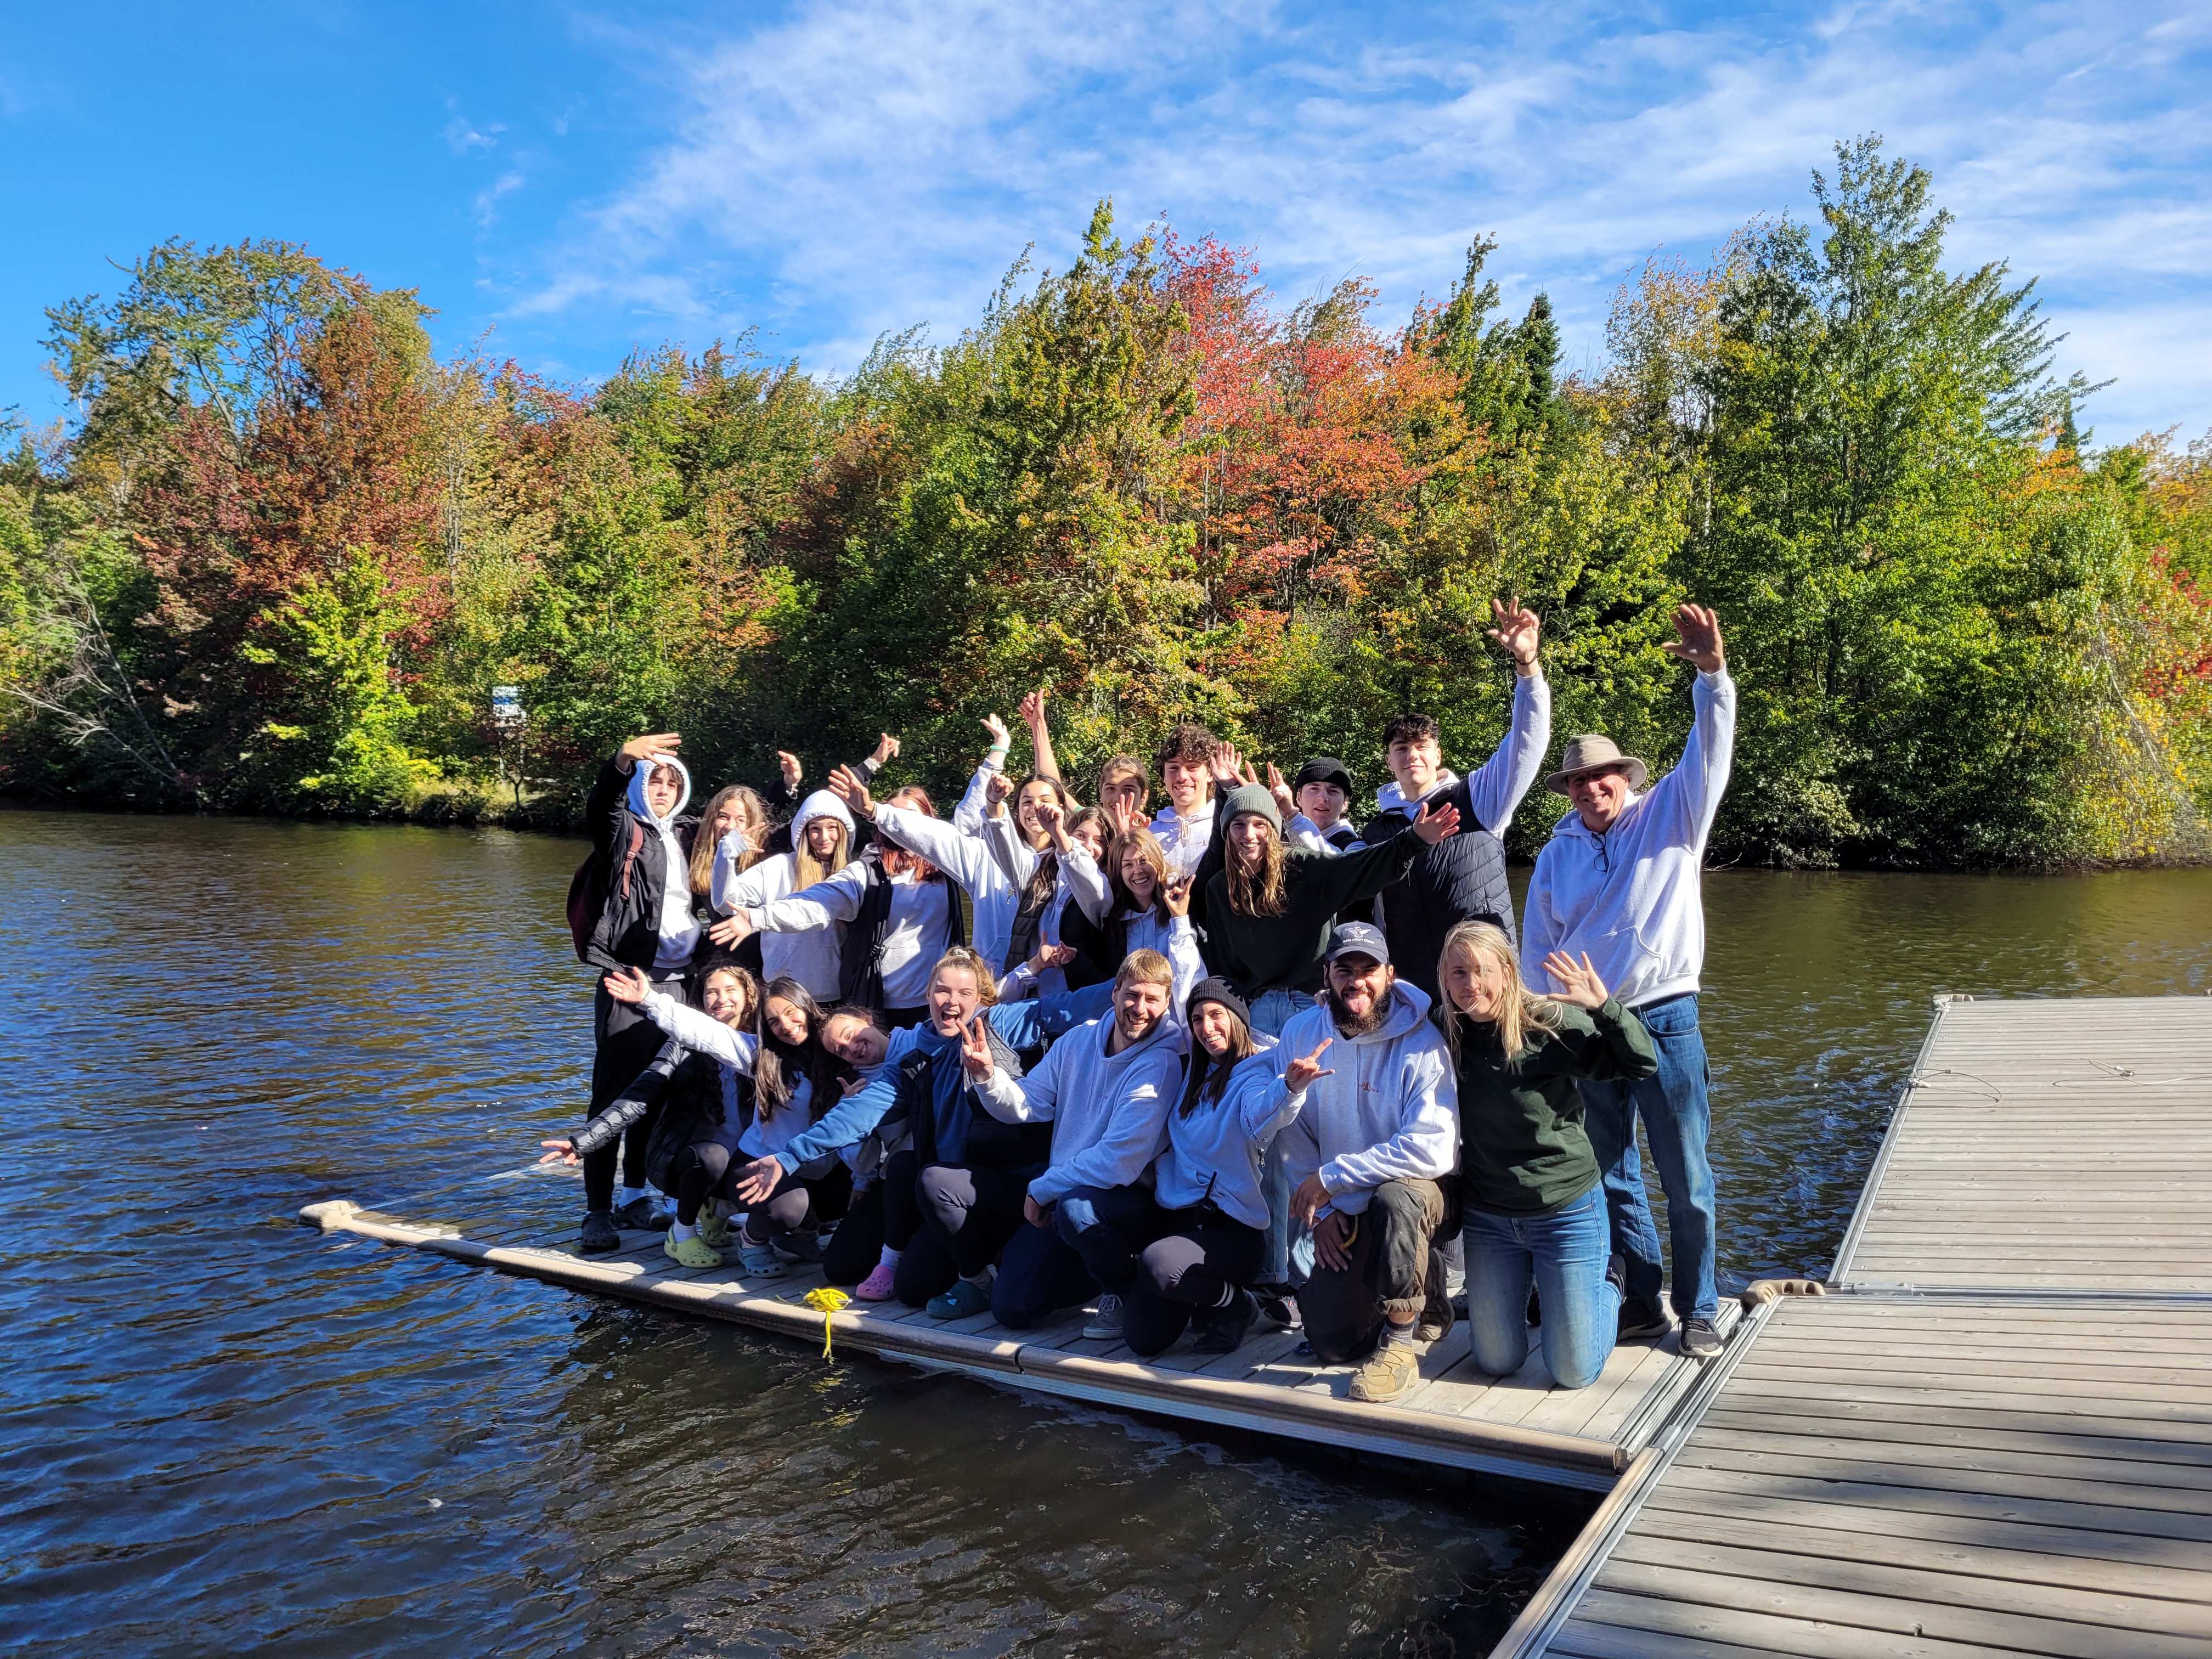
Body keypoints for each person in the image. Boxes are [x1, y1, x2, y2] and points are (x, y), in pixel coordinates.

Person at [1521, 602, 1736, 1360]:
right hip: (1585, 1029)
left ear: (1625, 778)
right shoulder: (1556, 855)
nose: (1588, 790)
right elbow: (1536, 950)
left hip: (1664, 1017)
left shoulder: (1673, 814)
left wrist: (1712, 675)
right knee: (1611, 1176)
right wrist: (1537, 1025)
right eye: (1576, 782)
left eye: (1600, 778)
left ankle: (1700, 1304)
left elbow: (1711, 748)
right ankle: (1644, 1303)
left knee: (1688, 1178)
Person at [1197, 770, 1460, 1297]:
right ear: (1225, 832)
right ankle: (1272, 1271)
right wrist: (1222, 1018)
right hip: (1253, 1011)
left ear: (1274, 830)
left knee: (1290, 1132)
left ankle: (1298, 1271)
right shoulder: (1218, 889)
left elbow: (1360, 870)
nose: (1249, 835)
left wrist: (1414, 841)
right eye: (1238, 825)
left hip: (1307, 1008)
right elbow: (1223, 964)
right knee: (1255, 1135)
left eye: (1258, 824)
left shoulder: (1305, 871)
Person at [1437, 922, 1658, 1389]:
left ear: (1507, 971)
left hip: (1565, 1212)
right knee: (1497, 1361)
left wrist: (1604, 1008)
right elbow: (1387, 1015)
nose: (1470, 985)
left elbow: (1640, 1063)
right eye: (1458, 972)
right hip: (1490, 1218)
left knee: (1572, 1371)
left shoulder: (1545, 1023)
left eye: (1482, 970)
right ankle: (1538, 1293)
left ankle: (1612, 1281)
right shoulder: (1445, 1029)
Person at [1276, 924, 1459, 1404]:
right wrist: (1323, 1212)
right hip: (1344, 1205)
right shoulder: (1299, 1033)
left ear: (1390, 975)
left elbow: (1433, 1149)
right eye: (1345, 970)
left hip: (1418, 1197)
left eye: (1368, 970)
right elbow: (1293, 1133)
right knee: (1332, 1343)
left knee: (1396, 1197)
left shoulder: (1423, 1040)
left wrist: (1332, 1178)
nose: (1356, 981)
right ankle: (1428, 1284)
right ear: (1327, 975)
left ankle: (1400, 1343)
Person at [962, 949, 1187, 1333]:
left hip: (1128, 1201)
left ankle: (1119, 1286)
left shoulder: (1162, 1062)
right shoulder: (1076, 1041)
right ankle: (1088, 1275)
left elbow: (1120, 1162)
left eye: (1153, 999)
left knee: (1076, 1210)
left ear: (1167, 1003)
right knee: (1012, 1308)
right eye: (1132, 995)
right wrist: (987, 1077)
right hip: (1067, 1192)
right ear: (1114, 993)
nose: (1140, 1007)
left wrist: (1043, 1189)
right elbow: (1027, 1104)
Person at [1358, 597, 1550, 1003]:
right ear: (1389, 761)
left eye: (1422, 746)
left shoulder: (1478, 799)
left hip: (1487, 994)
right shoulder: (1376, 832)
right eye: (1401, 748)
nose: (1412, 754)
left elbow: (1526, 747)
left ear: (1438, 755)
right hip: (1415, 1000)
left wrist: (1528, 668)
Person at [575, 731, 713, 1252]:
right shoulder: (623, 832)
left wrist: (788, 792)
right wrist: (621, 762)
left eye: (670, 782)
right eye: (653, 780)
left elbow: (739, 820)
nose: (661, 788)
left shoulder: (688, 835)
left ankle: (636, 1197)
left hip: (681, 985)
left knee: (657, 1093)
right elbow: (602, 804)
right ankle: (596, 1211)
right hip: (628, 981)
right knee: (612, 1096)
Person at [541, 962, 760, 1266]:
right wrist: (582, 1142)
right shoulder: (681, 1046)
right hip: (690, 1155)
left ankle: (717, 1212)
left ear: (749, 996)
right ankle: (682, 1234)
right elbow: (637, 1097)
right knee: (712, 1157)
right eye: (712, 992)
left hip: (744, 1150)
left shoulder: (764, 1043)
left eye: (730, 990)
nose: (721, 999)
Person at [1123, 979, 1289, 1358]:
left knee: (1159, 1266)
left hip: (1231, 1231)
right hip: (1183, 1223)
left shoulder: (1255, 1073)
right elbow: (1181, 979)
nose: (1206, 1027)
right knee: (1143, 1339)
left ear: (1237, 1019)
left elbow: (1261, 1116)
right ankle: (1209, 1299)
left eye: (1216, 1015)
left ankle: (1236, 1303)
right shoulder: (1191, 1075)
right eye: (1197, 1019)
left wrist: (1290, 1090)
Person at [720, 782, 960, 1028]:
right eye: (894, 817)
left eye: (909, 817)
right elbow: (818, 901)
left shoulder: (949, 864)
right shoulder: (868, 869)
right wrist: (757, 918)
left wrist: (997, 754)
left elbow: (972, 816)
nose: (902, 825)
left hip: (941, 998)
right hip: (884, 1000)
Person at [710, 790, 855, 1003]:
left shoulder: (853, 874)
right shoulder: (780, 867)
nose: (824, 838)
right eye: (815, 829)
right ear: (803, 833)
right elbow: (725, 903)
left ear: (843, 832)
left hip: (837, 995)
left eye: (832, 828)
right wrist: (727, 854)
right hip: (783, 995)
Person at [1060, 822, 1205, 1024]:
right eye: (1128, 865)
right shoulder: (1115, 922)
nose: (1137, 871)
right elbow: (1111, 986)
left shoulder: (1183, 904)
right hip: (1137, 1026)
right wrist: (1077, 963)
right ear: (1119, 872)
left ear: (1157, 862)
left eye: (1143, 861)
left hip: (1182, 1024)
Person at [1149, 723, 1220, 880]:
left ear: (1210, 774)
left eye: (1192, 767)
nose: (1182, 777)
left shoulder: (1225, 829)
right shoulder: (1149, 834)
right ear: (1164, 776)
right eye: (1173, 768)